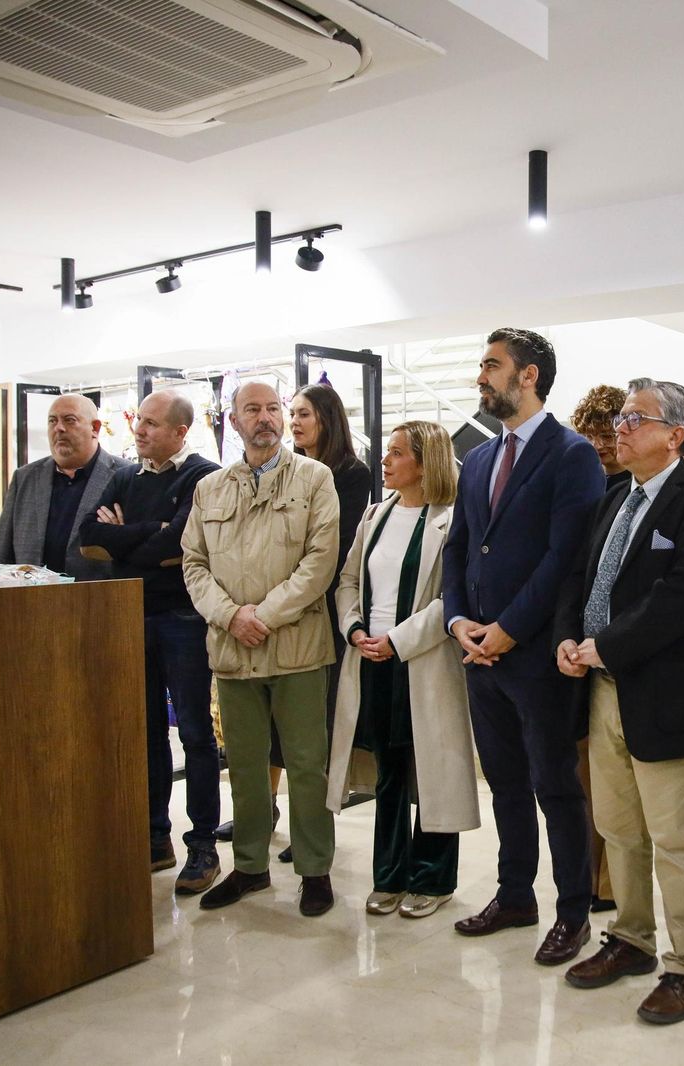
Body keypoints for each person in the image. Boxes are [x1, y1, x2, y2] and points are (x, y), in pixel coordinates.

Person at [555, 378, 684, 1025]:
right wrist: (568, 641)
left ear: (675, 435)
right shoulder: (613, 499)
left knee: (674, 839)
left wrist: (603, 646)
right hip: (604, 693)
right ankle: (630, 939)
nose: (620, 428)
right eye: (622, 418)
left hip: (668, 697)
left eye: (636, 418)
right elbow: (581, 581)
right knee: (619, 830)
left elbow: (682, 598)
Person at [441, 327, 605, 965]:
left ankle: (573, 911)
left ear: (528, 375)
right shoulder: (478, 458)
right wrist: (460, 622)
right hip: (478, 650)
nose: (480, 377)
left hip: (534, 654)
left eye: (491, 365)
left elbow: (567, 559)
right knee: (505, 782)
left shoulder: (572, 455)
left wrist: (509, 629)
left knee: (555, 785)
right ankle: (515, 895)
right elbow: (460, 549)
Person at [181, 382, 341, 918]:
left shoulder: (316, 480)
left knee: (305, 765)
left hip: (296, 646)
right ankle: (249, 867)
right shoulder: (209, 489)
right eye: (254, 410)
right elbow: (193, 564)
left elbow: (320, 562)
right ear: (234, 420)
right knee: (245, 767)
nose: (267, 418)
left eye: (274, 408)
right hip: (232, 650)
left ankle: (315, 871)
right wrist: (231, 616)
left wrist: (264, 616)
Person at [327, 421, 479, 919]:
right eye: (386, 453)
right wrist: (354, 630)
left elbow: (451, 598)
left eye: (395, 453)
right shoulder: (374, 516)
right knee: (389, 770)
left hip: (423, 659)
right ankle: (389, 875)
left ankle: (433, 879)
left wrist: (398, 639)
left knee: (432, 769)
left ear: (425, 461)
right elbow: (348, 580)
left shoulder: (453, 520)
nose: (385, 462)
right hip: (372, 657)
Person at [215, 383, 375, 857]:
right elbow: (207, 556)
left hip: (314, 612)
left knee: (308, 736)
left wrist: (266, 606)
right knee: (257, 737)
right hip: (248, 620)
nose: (293, 421)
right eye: (294, 413)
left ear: (327, 419)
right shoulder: (229, 482)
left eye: (302, 414)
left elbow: (324, 552)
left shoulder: (343, 475)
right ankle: (263, 812)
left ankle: (312, 831)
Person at [79, 391, 223, 891]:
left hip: (184, 618)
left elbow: (181, 545)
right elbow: (87, 537)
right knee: (143, 731)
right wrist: (149, 536)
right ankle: (154, 836)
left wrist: (124, 540)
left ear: (181, 432)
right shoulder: (124, 475)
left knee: (195, 734)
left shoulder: (203, 475)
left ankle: (202, 843)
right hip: (132, 615)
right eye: (139, 421)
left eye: (152, 424)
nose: (139, 431)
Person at [568, 382, 631, 910]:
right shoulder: (582, 488)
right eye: (589, 431)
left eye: (608, 431)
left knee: (614, 785)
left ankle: (611, 883)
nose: (600, 441)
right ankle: (589, 878)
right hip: (578, 649)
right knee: (584, 778)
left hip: (619, 652)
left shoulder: (634, 492)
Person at [0, 394, 131, 579]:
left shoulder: (126, 477)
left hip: (98, 601)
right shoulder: (25, 478)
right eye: (52, 421)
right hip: (30, 601)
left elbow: (139, 554)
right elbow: (1, 558)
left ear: (95, 428)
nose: (59, 428)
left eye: (69, 420)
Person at [572, 384, 631, 493]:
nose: (596, 445)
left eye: (607, 436)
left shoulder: (638, 483)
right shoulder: (580, 479)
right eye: (589, 436)